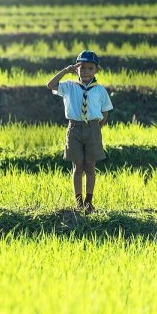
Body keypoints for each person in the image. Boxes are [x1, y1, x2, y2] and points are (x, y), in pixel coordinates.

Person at [47, 50, 113, 213]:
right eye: (82, 67)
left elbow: (105, 112)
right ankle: (78, 202)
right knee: (77, 166)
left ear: (96, 70)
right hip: (74, 128)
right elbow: (50, 85)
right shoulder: (69, 86)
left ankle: (88, 201)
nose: (86, 71)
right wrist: (65, 70)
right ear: (76, 68)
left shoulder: (100, 90)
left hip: (92, 129)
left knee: (90, 166)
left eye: (90, 68)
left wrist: (97, 128)